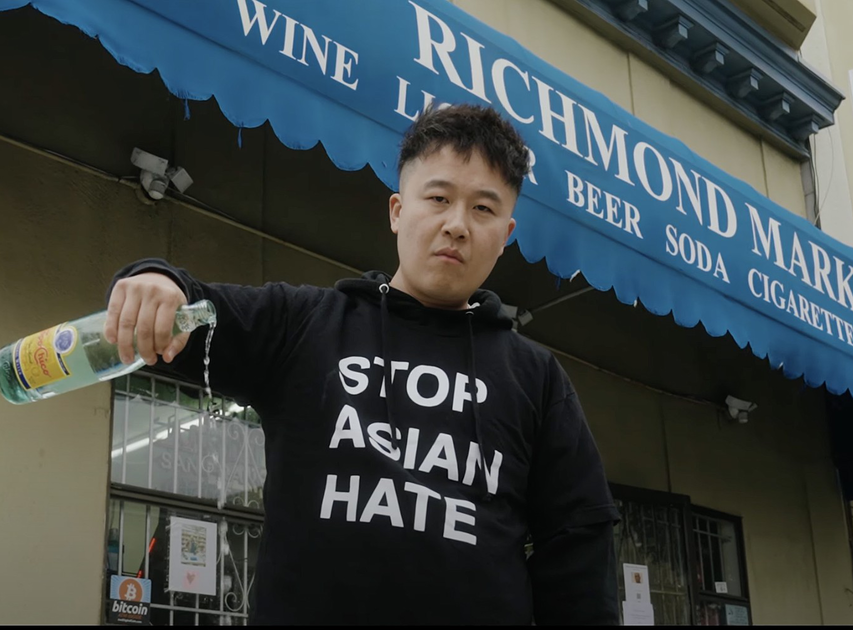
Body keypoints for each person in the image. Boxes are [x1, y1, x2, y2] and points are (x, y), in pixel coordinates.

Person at [104, 103, 620, 625]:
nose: (457, 225)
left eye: (483, 209)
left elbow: (579, 544)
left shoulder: (536, 378)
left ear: (506, 235)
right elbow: (195, 311)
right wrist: (156, 281)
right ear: (397, 210)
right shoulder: (306, 324)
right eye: (438, 198)